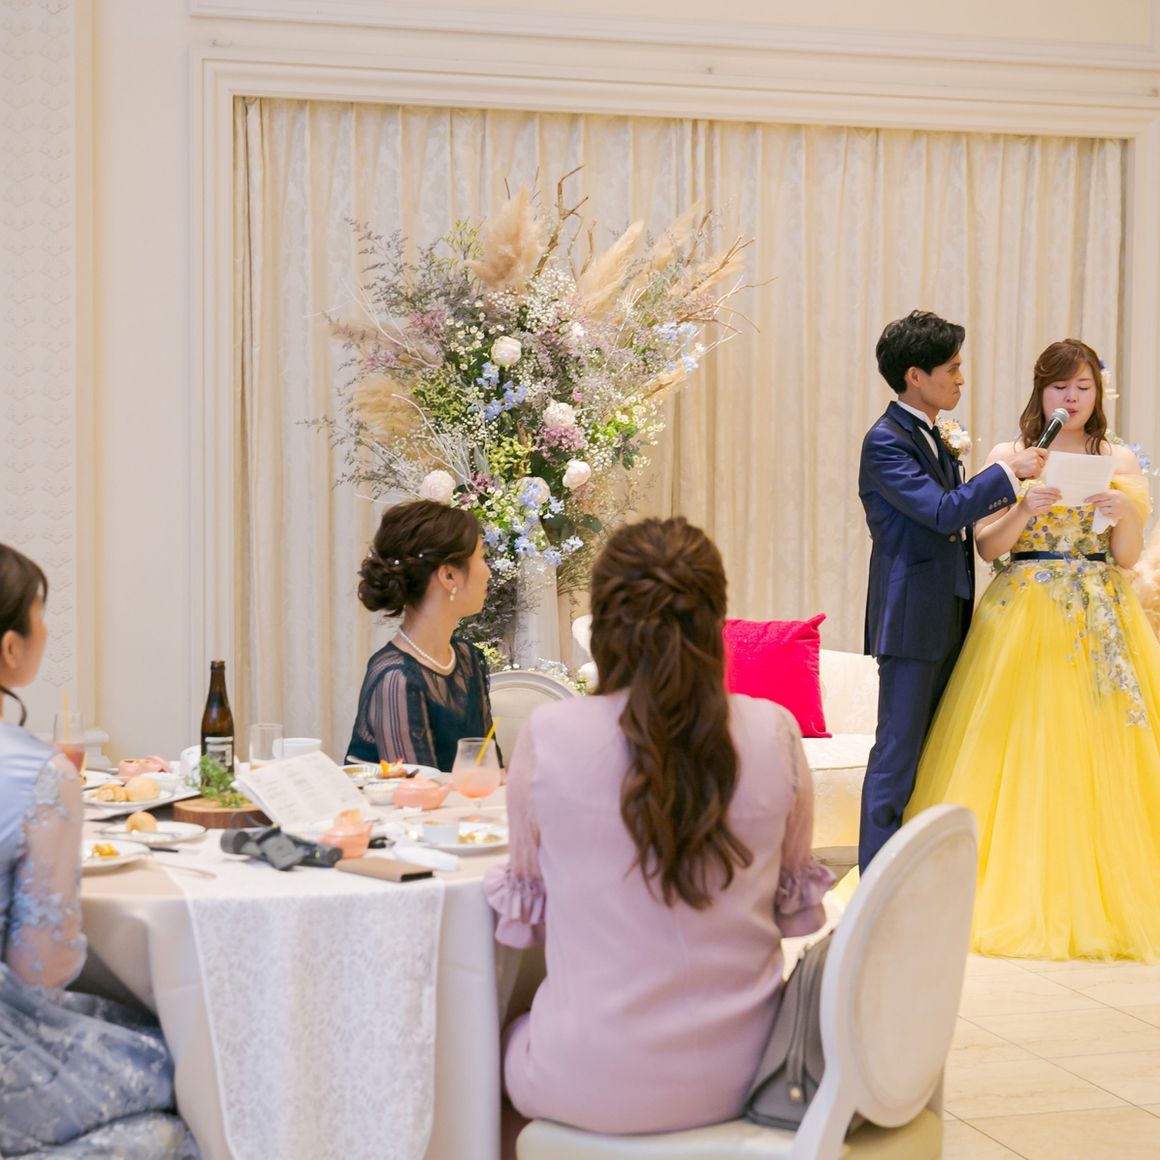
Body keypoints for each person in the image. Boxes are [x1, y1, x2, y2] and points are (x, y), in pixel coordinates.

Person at [484, 517, 833, 1134]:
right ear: (716, 622)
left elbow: (527, 925)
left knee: (496, 1046)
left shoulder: (550, 734)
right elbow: (791, 914)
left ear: (605, 627)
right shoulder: (774, 731)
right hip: (750, 1073)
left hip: (589, 1080)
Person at [906, 338, 1160, 961]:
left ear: (1098, 393)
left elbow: (1128, 555)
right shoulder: (1012, 454)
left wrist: (1121, 510)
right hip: (1023, 608)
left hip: (1100, 613)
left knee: (1102, 749)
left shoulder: (1117, 457)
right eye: (1059, 387)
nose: (1072, 398)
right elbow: (988, 547)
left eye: (1083, 387)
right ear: (1040, 392)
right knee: (1021, 742)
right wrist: (1025, 507)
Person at [0, 543, 194, 1158]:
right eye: (40, 615)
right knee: (195, 1084)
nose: (45, 630)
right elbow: (43, 969)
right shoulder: (40, 777)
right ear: (11, 649)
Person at [858, 310, 1047, 872]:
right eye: (952, 369)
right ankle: (875, 883)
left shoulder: (933, 436)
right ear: (915, 376)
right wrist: (1009, 473)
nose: (961, 380)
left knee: (938, 751)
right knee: (898, 754)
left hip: (949, 612)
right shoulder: (886, 441)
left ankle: (918, 875)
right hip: (911, 620)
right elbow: (942, 513)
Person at [347, 499, 495, 770]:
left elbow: (488, 770)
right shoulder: (395, 677)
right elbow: (417, 791)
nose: (488, 572)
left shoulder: (468, 658)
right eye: (482, 557)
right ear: (449, 576)